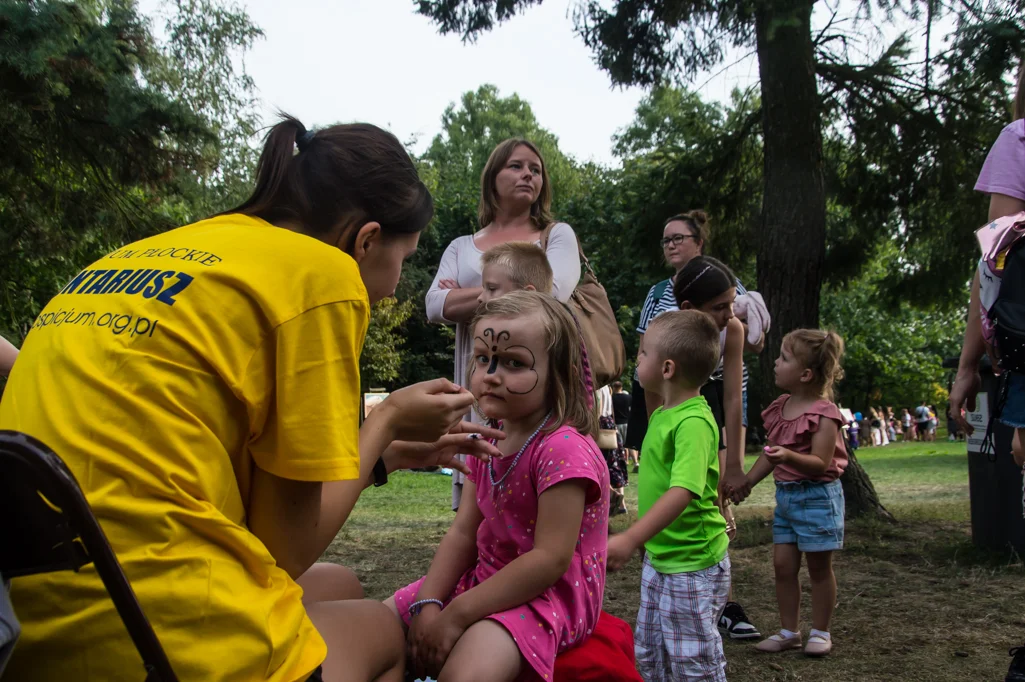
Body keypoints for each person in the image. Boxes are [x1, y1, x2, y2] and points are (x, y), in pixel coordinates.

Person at [0, 115, 506, 682]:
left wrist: (381, 459)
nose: (392, 288)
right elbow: (285, 551)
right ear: (364, 240)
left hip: (30, 623)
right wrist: (385, 421)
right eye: (403, 259)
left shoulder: (145, 257)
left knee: (339, 585)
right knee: (383, 630)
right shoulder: (320, 276)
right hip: (155, 641)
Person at [387, 291, 609, 682]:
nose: (491, 374)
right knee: (383, 623)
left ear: (560, 373)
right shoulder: (490, 436)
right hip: (486, 576)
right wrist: (429, 603)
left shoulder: (563, 448)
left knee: (467, 670)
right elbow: (462, 532)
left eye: (513, 362)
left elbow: (550, 559)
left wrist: (456, 613)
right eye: (483, 359)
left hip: (549, 594)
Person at [426, 139, 582, 511]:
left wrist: (465, 293)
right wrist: (500, 290)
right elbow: (433, 305)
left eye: (536, 169)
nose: (529, 173)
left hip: (533, 382)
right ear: (492, 178)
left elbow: (550, 294)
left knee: (531, 486)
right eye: (516, 166)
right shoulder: (462, 245)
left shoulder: (556, 235)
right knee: (476, 498)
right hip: (479, 380)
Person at [605, 309, 730, 681]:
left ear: (667, 368)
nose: (636, 360)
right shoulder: (664, 413)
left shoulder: (693, 422)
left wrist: (631, 537)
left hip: (691, 565)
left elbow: (683, 492)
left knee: (694, 664)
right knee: (653, 651)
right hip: (662, 559)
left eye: (642, 354)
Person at [671, 255, 760, 640]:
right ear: (689, 310)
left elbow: (732, 399)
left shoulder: (732, 330)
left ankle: (721, 602)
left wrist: (735, 466)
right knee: (677, 503)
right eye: (719, 307)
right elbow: (655, 397)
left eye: (732, 302)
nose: (729, 313)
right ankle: (672, 588)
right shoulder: (668, 332)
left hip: (712, 412)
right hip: (673, 412)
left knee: (717, 505)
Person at [746, 329, 848, 658]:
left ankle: (821, 631)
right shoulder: (781, 407)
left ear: (805, 374)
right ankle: (789, 631)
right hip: (787, 499)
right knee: (783, 567)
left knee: (819, 568)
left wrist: (788, 456)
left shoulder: (825, 413)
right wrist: (747, 482)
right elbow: (770, 453)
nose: (776, 362)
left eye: (784, 358)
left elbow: (820, 462)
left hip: (817, 497)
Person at [611, 381, 637, 471]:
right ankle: (636, 462)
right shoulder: (628, 397)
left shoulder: (612, 398)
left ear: (614, 388)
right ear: (621, 387)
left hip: (617, 423)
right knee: (629, 444)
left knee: (620, 445)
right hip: (627, 422)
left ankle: (622, 463)